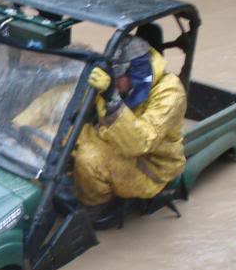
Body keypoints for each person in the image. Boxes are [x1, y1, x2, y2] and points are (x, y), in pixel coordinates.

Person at [73, 33, 187, 213]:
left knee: (89, 160)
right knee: (60, 136)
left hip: (149, 166)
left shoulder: (171, 93)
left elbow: (141, 144)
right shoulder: (114, 83)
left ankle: (97, 208)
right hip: (111, 139)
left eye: (118, 76)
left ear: (135, 74)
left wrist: (112, 99)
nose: (113, 80)